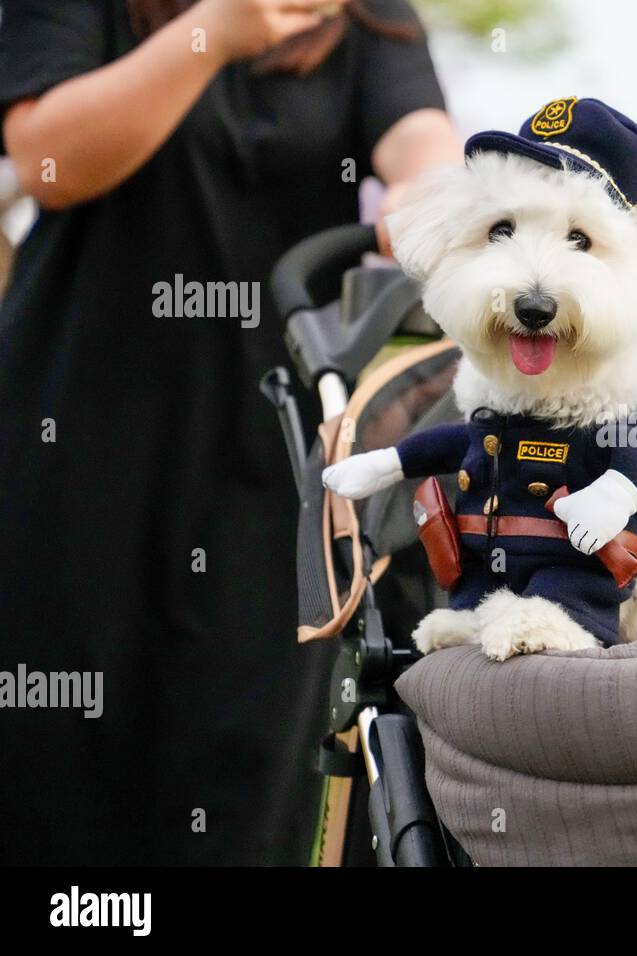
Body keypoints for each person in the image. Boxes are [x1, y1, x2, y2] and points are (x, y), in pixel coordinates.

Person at [0, 0, 460, 865]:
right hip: (73, 439)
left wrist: (432, 203)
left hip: (270, 453)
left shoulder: (362, 15)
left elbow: (420, 137)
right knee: (52, 757)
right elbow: (46, 159)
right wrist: (214, 32)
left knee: (247, 768)